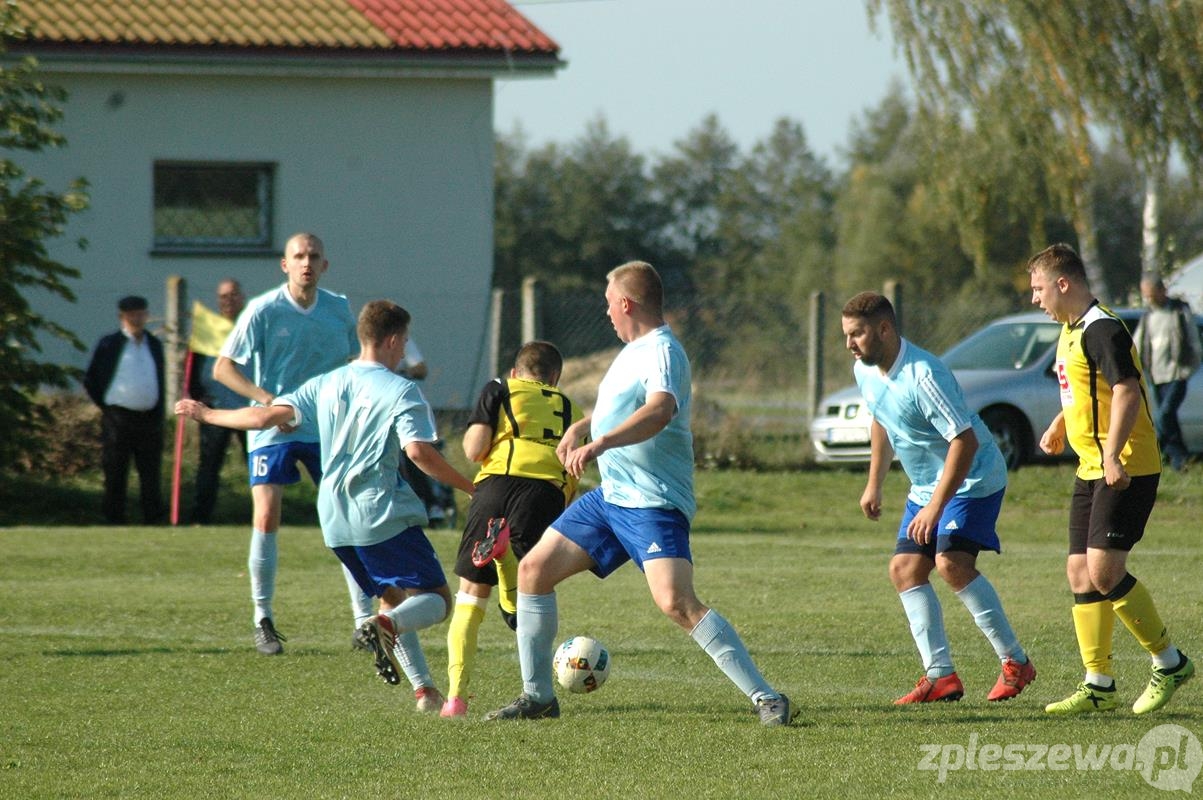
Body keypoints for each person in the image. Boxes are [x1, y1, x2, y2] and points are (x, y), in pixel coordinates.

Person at [485, 261, 796, 726]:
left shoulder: (663, 351)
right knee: (532, 571)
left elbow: (660, 409)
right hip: (611, 497)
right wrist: (583, 426)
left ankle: (767, 698)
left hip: (653, 501)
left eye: (609, 303)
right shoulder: (630, 352)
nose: (607, 312)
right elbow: (620, 408)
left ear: (627, 304)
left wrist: (601, 443)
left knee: (677, 603)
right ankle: (538, 697)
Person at [177, 300, 475, 712]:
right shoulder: (402, 390)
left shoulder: (326, 382)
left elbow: (264, 419)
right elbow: (419, 453)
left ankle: (424, 692)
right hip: (379, 510)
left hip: (334, 517)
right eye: (405, 341)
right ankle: (384, 626)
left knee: (393, 597)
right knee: (437, 601)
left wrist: (207, 414)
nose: (405, 349)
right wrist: (471, 487)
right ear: (392, 341)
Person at [841, 292, 1035, 705]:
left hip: (973, 478)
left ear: (884, 329)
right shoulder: (865, 371)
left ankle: (1016, 661)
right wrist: (874, 483)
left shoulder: (924, 376)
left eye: (856, 334)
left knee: (952, 563)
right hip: (927, 486)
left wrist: (935, 507)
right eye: (846, 335)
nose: (849, 344)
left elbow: (964, 441)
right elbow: (881, 420)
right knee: (905, 570)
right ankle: (941, 675)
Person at [1028, 243, 1194, 715]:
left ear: (1063, 284)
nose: (1036, 299)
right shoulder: (1071, 329)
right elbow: (1087, 391)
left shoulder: (1102, 328)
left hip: (1126, 466)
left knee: (1104, 572)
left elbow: (1126, 391)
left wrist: (1113, 455)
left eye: (1039, 289)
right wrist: (1060, 425)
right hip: (1091, 468)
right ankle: (1098, 684)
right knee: (1079, 571)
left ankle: (1170, 662)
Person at [213, 232, 372, 656]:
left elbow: (355, 363)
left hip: (325, 426)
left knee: (346, 518)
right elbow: (223, 368)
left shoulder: (338, 309)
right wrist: (267, 401)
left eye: (313, 256)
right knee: (267, 515)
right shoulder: (263, 309)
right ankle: (262, 618)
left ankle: (364, 621)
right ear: (285, 265)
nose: (306, 263)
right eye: (298, 256)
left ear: (324, 265)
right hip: (273, 426)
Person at [440, 340, 583, 718]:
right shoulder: (574, 410)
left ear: (516, 372)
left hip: (497, 484)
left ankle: (455, 699)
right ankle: (534, 691)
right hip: (545, 494)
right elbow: (573, 477)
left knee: (471, 596)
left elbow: (474, 449)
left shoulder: (500, 388)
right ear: (555, 377)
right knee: (527, 602)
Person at [83, 295, 166, 524]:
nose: (137, 319)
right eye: (132, 315)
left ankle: (153, 518)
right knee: (116, 470)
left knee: (150, 471)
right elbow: (91, 379)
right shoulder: (110, 344)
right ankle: (114, 518)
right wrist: (106, 406)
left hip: (149, 417)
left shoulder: (154, 344)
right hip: (118, 417)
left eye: (141, 314)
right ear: (122, 317)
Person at [187, 279, 248, 524]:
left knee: (258, 465)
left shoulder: (252, 326)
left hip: (249, 409)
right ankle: (201, 517)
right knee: (209, 465)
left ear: (242, 297)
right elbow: (193, 368)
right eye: (223, 296)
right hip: (215, 408)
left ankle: (264, 515)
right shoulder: (209, 329)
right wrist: (197, 397)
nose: (228, 300)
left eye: (233, 295)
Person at [1133, 276, 1201, 472]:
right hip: (1155, 377)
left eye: (1151, 295)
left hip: (1176, 375)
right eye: (1146, 296)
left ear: (1162, 291)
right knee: (1168, 419)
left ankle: (1162, 454)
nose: (1149, 299)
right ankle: (1179, 461)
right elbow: (1137, 345)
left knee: (1164, 415)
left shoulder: (1179, 312)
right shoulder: (1148, 316)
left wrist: (1187, 371)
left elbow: (1194, 342)